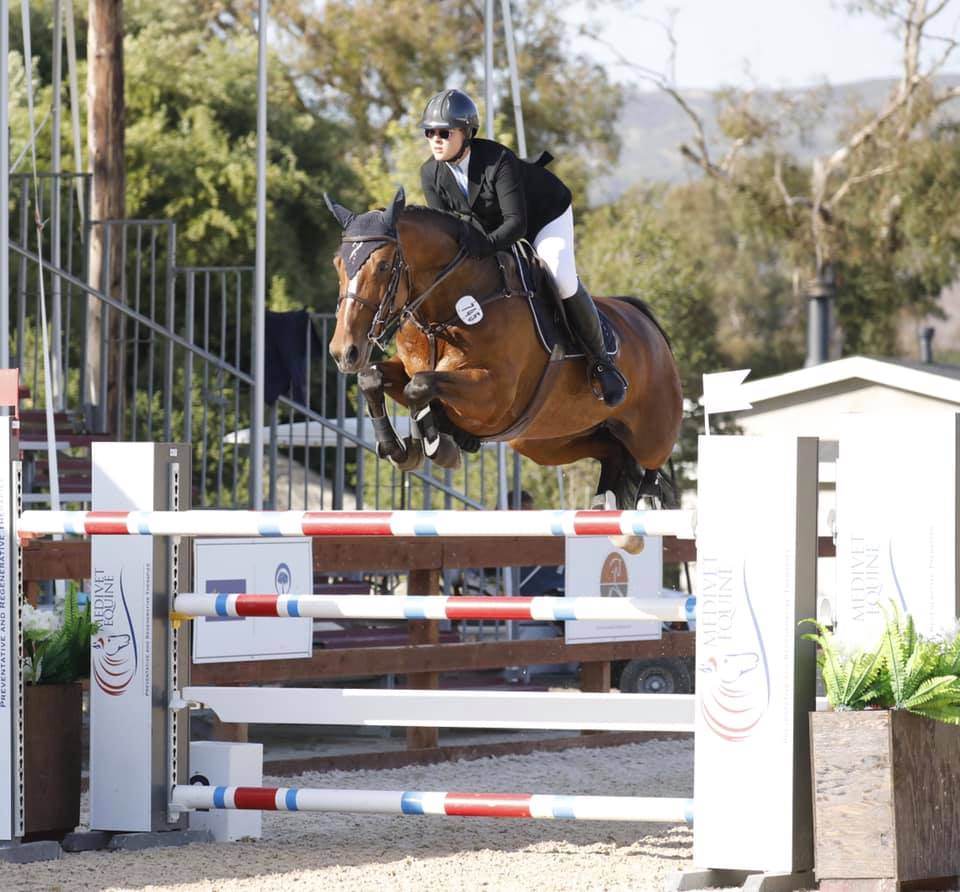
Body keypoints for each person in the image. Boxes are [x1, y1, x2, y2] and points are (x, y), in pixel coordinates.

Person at [418, 88, 627, 407]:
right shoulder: (430, 173)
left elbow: (516, 224)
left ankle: (601, 362)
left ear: (466, 133)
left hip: (544, 215)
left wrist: (484, 245)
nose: (435, 139)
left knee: (559, 275)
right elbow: (449, 228)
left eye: (443, 132)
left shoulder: (496, 160)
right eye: (429, 132)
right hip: (492, 226)